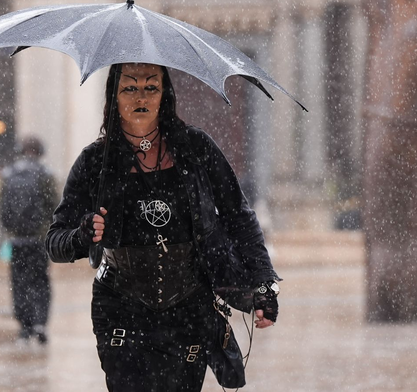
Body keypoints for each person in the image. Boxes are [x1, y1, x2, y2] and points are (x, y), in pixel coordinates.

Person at [45, 63, 279, 391]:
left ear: (164, 94)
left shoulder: (196, 149)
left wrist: (265, 285)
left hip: (190, 308)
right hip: (121, 310)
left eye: (151, 87)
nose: (141, 96)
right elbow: (55, 241)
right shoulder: (95, 161)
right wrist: (82, 235)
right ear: (113, 95)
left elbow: (238, 216)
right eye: (130, 88)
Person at [0, 136, 57, 344]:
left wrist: (13, 230)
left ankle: (24, 327)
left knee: (19, 282)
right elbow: (55, 206)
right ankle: (40, 323)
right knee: (40, 280)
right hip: (39, 240)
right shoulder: (46, 174)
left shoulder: (8, 174)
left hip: (17, 241)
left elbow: (3, 210)